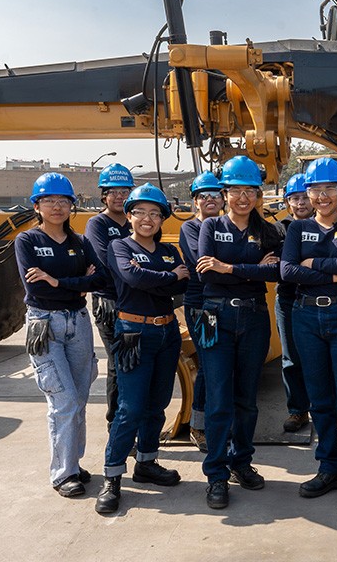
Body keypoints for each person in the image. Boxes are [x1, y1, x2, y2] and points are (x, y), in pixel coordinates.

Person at [280, 156, 337, 515]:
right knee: (319, 400)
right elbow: (288, 271)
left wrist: (313, 265)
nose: (322, 196)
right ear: (307, 192)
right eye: (315, 190)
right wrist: (333, 274)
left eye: (329, 189)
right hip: (306, 317)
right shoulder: (296, 229)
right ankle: (330, 467)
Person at [95, 183, 190, 515]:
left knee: (157, 405)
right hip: (134, 332)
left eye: (155, 213)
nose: (147, 219)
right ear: (130, 215)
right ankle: (112, 478)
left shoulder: (168, 251)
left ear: (162, 218)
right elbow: (134, 278)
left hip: (166, 333)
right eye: (140, 212)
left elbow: (182, 282)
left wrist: (161, 276)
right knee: (130, 408)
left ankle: (147, 463)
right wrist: (167, 275)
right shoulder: (119, 247)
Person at [195, 156, 283, 510]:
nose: (242, 198)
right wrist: (251, 270)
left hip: (254, 318)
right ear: (225, 192)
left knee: (247, 398)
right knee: (218, 399)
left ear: (258, 194)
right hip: (216, 317)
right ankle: (216, 473)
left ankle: (240, 461)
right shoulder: (210, 227)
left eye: (249, 191)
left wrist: (229, 267)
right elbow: (206, 274)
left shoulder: (268, 231)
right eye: (235, 191)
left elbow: (275, 274)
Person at [15, 172, 106, 498]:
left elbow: (101, 280)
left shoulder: (80, 243)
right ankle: (63, 473)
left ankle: (73, 463)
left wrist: (58, 281)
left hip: (78, 322)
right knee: (63, 400)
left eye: (63, 201)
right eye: (49, 201)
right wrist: (77, 280)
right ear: (36, 206)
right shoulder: (27, 242)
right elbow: (35, 286)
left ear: (72, 206)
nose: (56, 207)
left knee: (79, 398)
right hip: (45, 325)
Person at [84, 163, 134, 434]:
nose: (118, 196)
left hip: (135, 301)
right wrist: (136, 267)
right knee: (118, 364)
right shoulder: (98, 224)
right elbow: (106, 261)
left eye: (124, 190)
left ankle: (130, 420)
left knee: (133, 362)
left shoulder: (135, 221)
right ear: (104, 195)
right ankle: (116, 424)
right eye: (112, 191)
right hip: (110, 304)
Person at [178, 170, 225, 453]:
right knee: (209, 367)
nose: (210, 200)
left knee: (223, 367)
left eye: (215, 195)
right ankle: (198, 425)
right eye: (203, 196)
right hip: (201, 305)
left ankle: (219, 421)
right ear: (195, 201)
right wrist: (236, 263)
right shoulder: (190, 228)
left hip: (225, 302)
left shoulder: (230, 224)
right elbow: (201, 263)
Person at [275, 173, 313, 433]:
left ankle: (336, 414)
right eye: (294, 198)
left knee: (327, 359)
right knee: (291, 359)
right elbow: (279, 266)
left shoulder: (326, 224)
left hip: (318, 300)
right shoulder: (279, 228)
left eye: (303, 197)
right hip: (288, 299)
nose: (300, 203)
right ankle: (298, 410)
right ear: (288, 202)